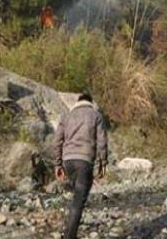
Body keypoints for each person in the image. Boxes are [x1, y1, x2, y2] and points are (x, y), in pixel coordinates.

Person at [53, 93, 108, 239]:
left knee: (76, 198)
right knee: (78, 201)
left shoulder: (66, 116)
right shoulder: (96, 115)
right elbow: (102, 142)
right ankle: (69, 236)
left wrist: (58, 165)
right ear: (90, 102)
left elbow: (57, 141)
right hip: (84, 161)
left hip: (68, 161)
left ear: (78, 102)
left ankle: (69, 231)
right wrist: (103, 164)